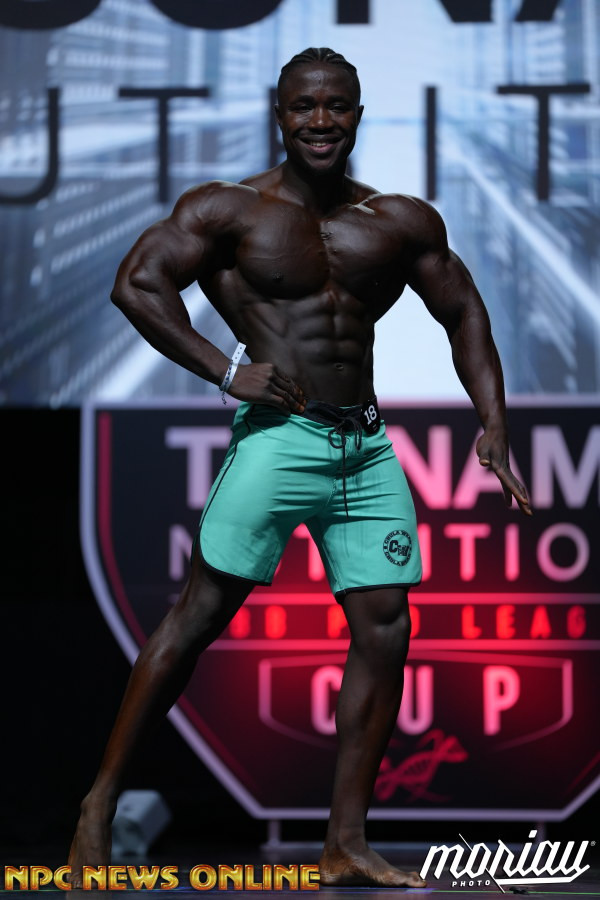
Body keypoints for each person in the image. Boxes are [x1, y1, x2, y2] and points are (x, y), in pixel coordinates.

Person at [67, 47, 531, 888]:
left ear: (358, 115)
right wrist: (224, 370)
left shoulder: (398, 220)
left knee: (386, 627)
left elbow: (463, 309)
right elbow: (137, 284)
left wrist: (493, 420)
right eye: (304, 106)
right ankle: (99, 804)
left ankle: (344, 841)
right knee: (198, 617)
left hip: (366, 445)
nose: (321, 121)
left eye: (337, 106)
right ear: (279, 114)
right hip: (280, 437)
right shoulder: (228, 208)